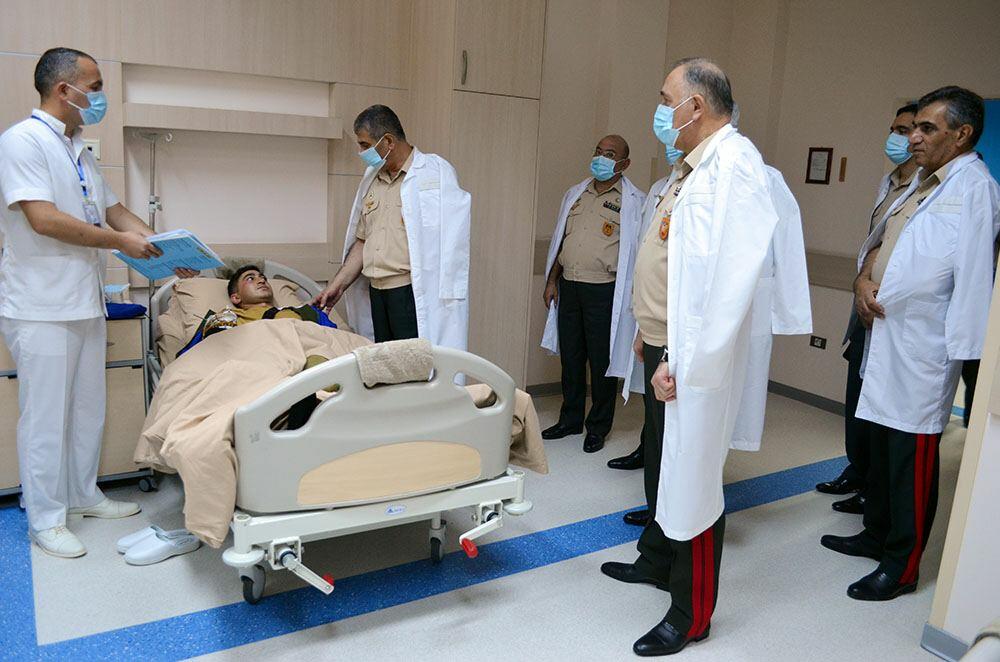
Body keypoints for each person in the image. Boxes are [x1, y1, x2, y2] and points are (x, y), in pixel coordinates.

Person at [600, 58, 782, 656]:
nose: (660, 110)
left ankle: (691, 613)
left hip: (692, 356)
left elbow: (724, 287)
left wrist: (680, 359)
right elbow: (670, 263)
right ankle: (657, 559)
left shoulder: (734, 167)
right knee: (662, 462)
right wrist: (649, 331)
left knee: (695, 476)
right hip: (663, 341)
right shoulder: (690, 168)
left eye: (665, 98)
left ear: (695, 106)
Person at [0, 47, 197, 559]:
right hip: (40, 306)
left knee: (88, 409)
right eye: (95, 86)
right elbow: (44, 219)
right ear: (64, 90)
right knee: (45, 417)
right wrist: (120, 243)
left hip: (85, 302)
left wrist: (166, 247)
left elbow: (115, 212)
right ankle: (45, 518)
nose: (101, 96)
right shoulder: (22, 142)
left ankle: (83, 495)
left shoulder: (79, 150)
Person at [821, 86, 999, 601]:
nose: (914, 138)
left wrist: (964, 362)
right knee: (879, 448)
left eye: (926, 128)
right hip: (885, 335)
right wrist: (862, 281)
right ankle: (875, 533)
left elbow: (974, 281)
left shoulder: (975, 189)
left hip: (924, 350)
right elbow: (879, 245)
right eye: (913, 127)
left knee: (909, 461)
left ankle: (902, 566)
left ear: (962, 134)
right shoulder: (921, 184)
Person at [815, 104, 918, 515]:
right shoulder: (889, 182)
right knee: (856, 394)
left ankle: (872, 487)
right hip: (864, 302)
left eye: (905, 129)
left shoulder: (925, 188)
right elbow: (874, 242)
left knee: (878, 404)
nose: (896, 137)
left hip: (891, 310)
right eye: (894, 128)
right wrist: (860, 281)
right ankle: (857, 470)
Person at [313, 105, 471, 351]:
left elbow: (453, 239)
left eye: (365, 145)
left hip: (410, 295)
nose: (361, 152)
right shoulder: (372, 179)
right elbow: (363, 241)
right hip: (378, 295)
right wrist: (338, 285)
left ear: (388, 141)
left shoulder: (434, 173)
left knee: (414, 367)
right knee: (385, 366)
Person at [539, 135, 645, 453]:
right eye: (598, 151)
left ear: (624, 163)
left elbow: (637, 252)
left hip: (604, 291)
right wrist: (551, 281)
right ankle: (570, 419)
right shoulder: (576, 193)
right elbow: (561, 242)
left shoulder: (634, 201)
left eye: (609, 154)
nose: (601, 158)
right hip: (569, 285)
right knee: (571, 357)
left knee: (601, 362)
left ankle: (597, 426)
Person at [610, 145, 683, 518]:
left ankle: (667, 521)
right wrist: (643, 329)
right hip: (655, 329)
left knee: (672, 435)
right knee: (657, 430)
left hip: (677, 336)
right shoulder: (666, 186)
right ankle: (657, 514)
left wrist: (668, 346)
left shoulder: (705, 187)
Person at [176, 265, 336, 355]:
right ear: (236, 297)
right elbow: (207, 353)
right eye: (250, 278)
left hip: (310, 364)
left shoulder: (306, 312)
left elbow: (335, 341)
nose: (261, 280)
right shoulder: (227, 317)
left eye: (263, 278)